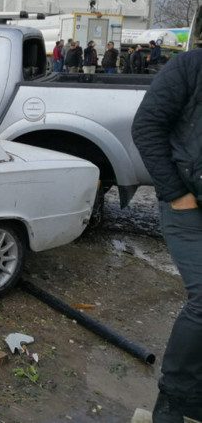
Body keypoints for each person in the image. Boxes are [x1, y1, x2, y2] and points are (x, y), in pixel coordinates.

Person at [131, 47, 202, 422]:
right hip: (187, 204)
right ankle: (174, 400)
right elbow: (146, 126)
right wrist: (177, 194)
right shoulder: (191, 66)